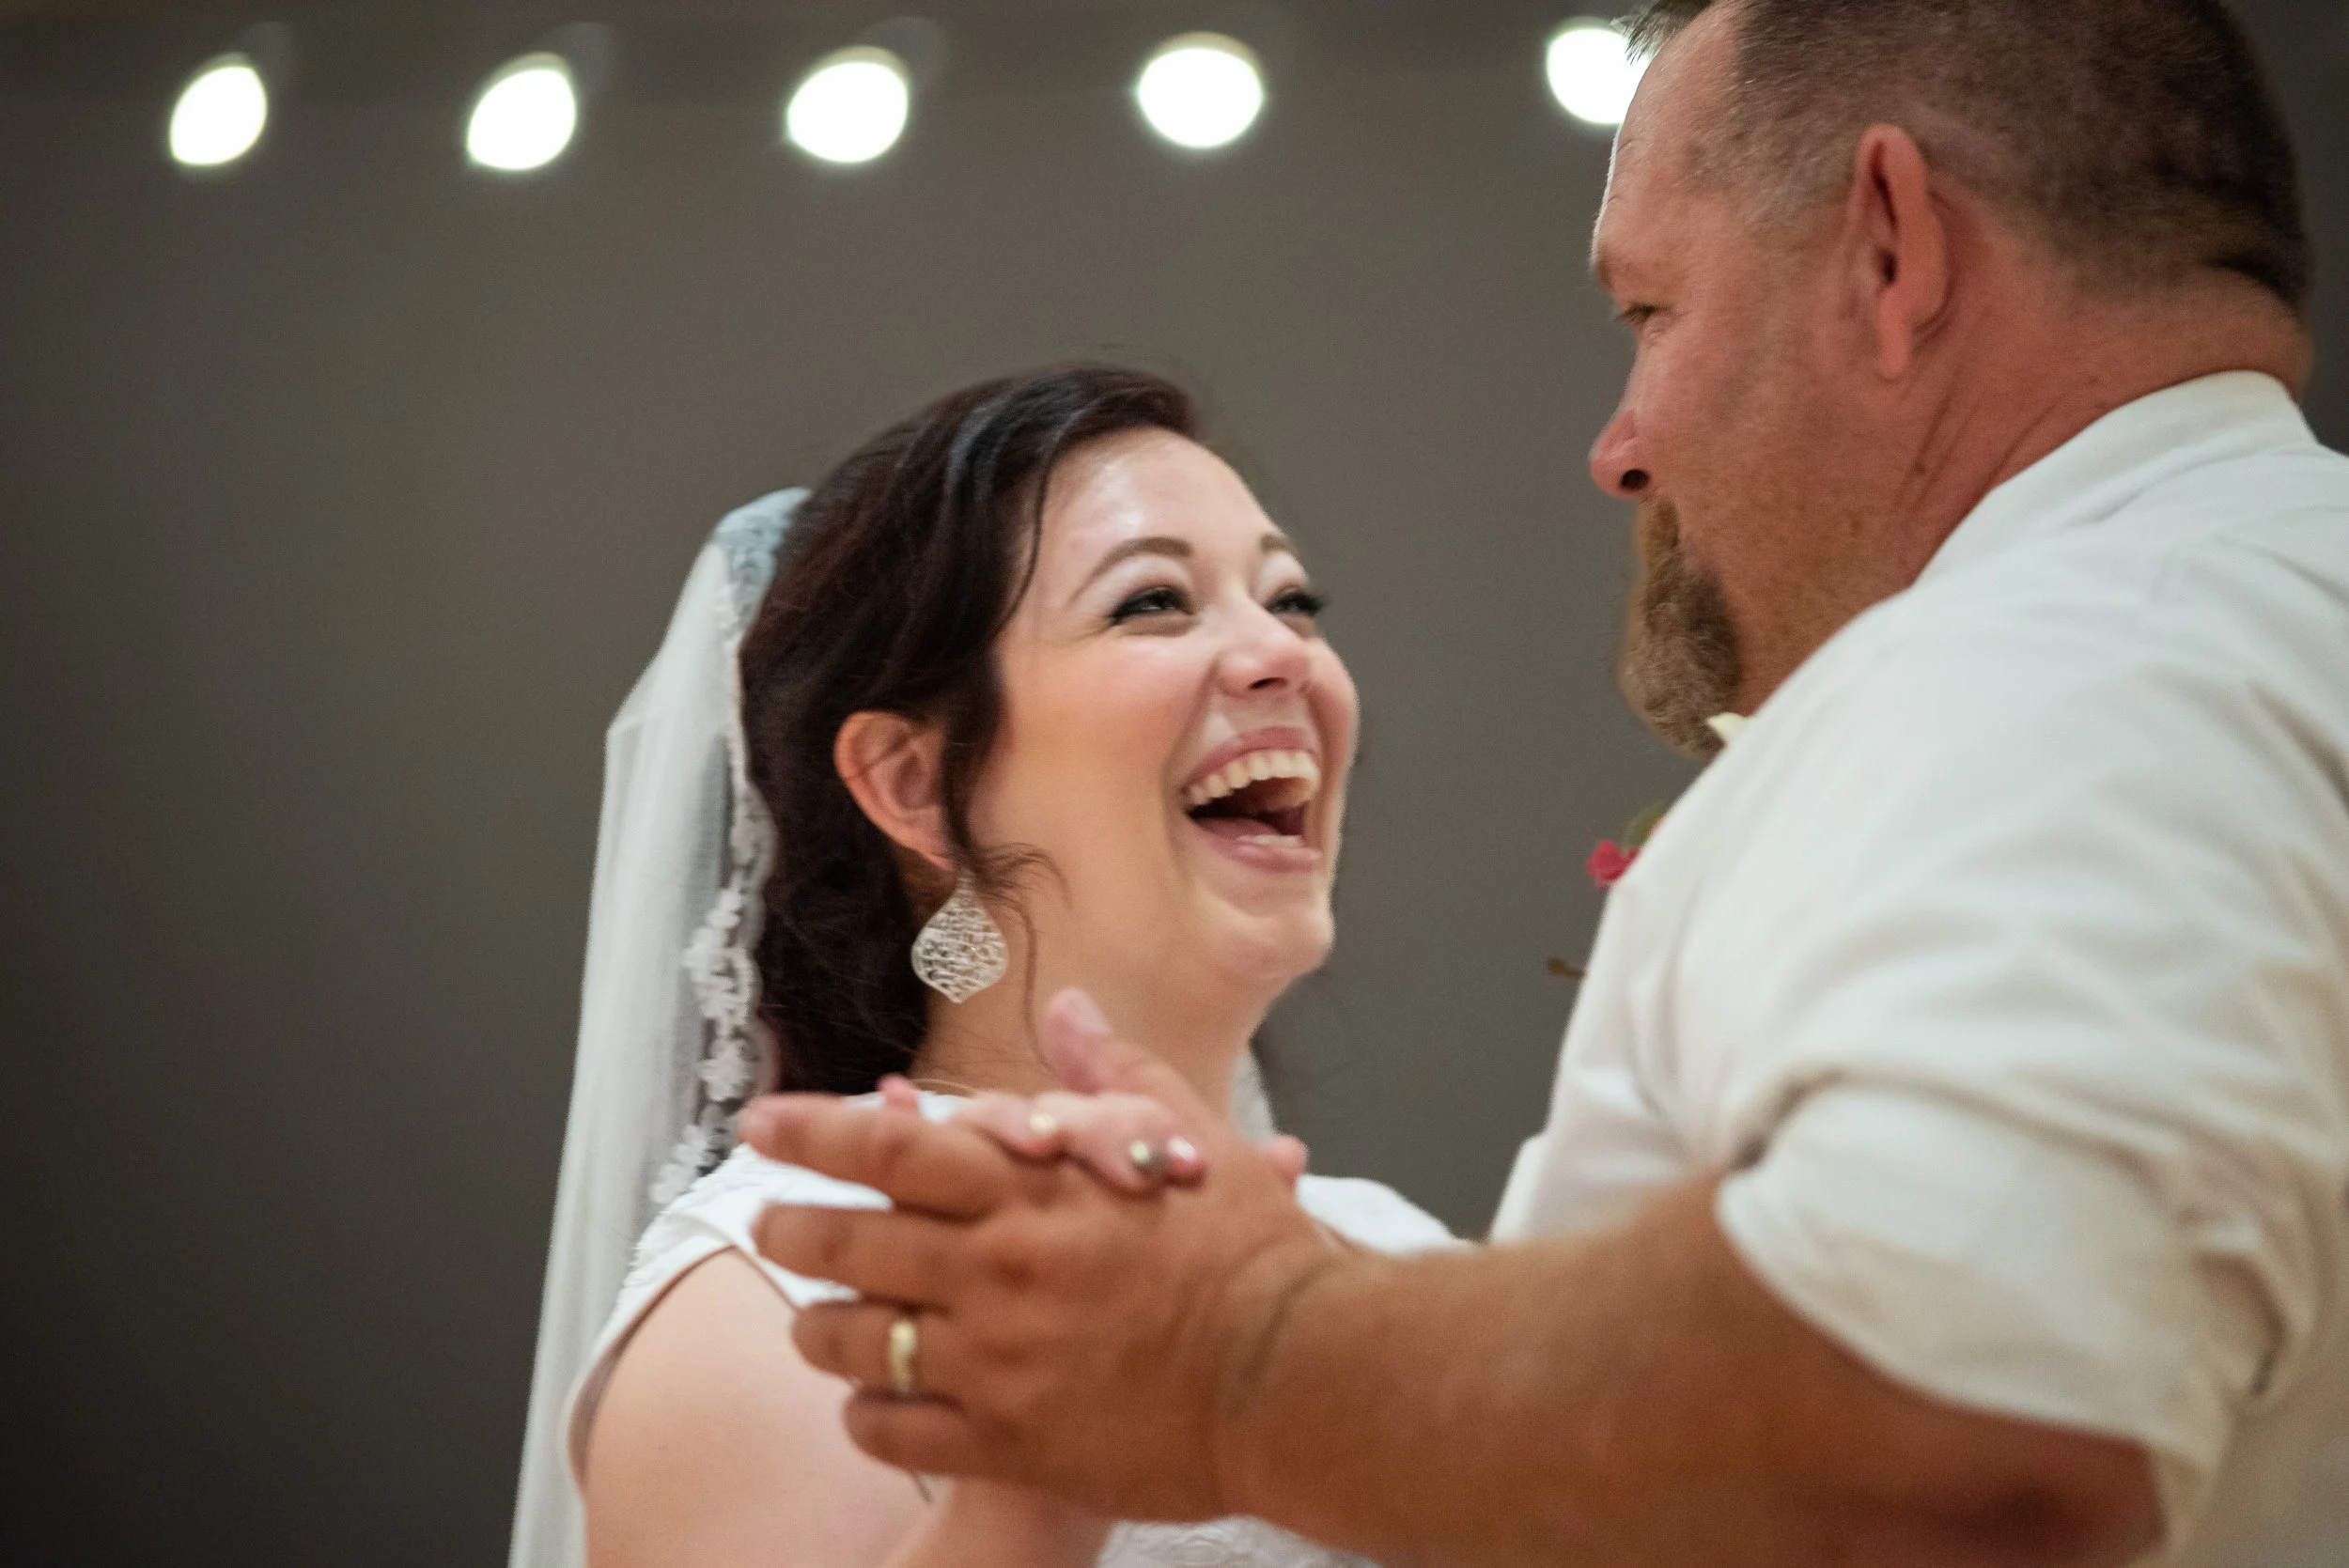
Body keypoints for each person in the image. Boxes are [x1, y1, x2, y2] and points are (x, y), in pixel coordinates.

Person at [741, 3, 2349, 1566]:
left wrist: (1243, 1355)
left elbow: (1975, 1403)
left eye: (1652, 311)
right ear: (910, 782)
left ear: (1890, 248)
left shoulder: (2064, 658)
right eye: (1156, 598)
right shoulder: (2256, 608)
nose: (1622, 446)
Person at [506, 365, 1455, 1568]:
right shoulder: (779, 1306)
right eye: (1153, 601)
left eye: (1294, 599)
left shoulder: (1407, 1258)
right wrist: (1035, 1494)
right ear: (913, 786)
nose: (1282, 654)